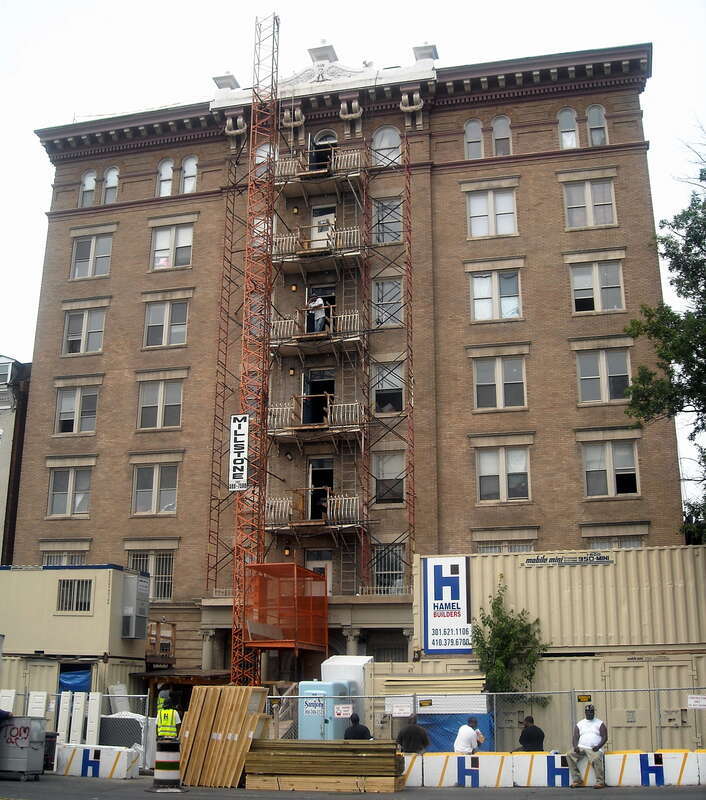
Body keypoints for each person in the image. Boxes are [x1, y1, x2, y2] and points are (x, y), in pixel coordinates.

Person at [565, 704, 607, 789]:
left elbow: (605, 737)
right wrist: (575, 746)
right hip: (581, 747)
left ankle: (600, 782)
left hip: (594, 748)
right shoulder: (580, 723)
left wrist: (598, 747)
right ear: (585, 712)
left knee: (596, 758)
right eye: (588, 712)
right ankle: (577, 780)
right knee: (569, 754)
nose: (590, 713)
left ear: (594, 712)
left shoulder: (600, 723)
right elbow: (575, 737)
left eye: (591, 711)